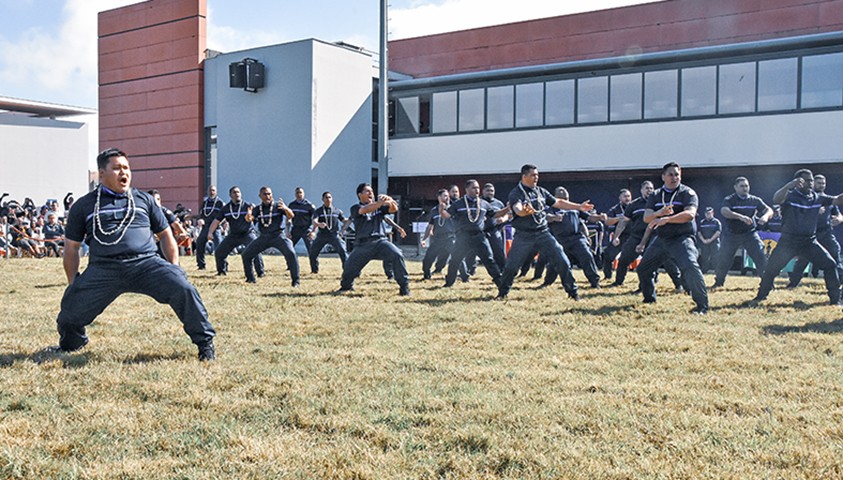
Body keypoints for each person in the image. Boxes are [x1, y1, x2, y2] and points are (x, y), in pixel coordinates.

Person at [51, 148, 216, 360]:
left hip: (146, 264)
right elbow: (72, 247)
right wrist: (73, 282)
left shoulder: (143, 199)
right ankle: (73, 343)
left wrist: (174, 268)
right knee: (69, 312)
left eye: (127, 168)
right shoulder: (83, 206)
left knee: (184, 289)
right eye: (117, 168)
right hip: (104, 268)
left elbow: (166, 235)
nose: (124, 173)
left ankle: (205, 344)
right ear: (101, 173)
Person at [497, 164, 593, 300]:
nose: (536, 177)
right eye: (533, 175)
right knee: (511, 267)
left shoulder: (541, 191)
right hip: (524, 236)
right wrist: (524, 212)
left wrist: (579, 207)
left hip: (543, 233)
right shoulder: (516, 193)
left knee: (562, 260)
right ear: (524, 177)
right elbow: (517, 209)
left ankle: (573, 293)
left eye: (537, 175)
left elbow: (558, 202)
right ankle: (502, 293)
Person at [751, 169, 843, 306]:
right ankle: (760, 296)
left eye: (811, 180)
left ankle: (835, 300)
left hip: (809, 241)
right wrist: (789, 186)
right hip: (788, 242)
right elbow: (776, 199)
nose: (810, 183)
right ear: (798, 182)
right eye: (807, 180)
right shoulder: (790, 196)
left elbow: (837, 200)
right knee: (771, 269)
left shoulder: (817, 198)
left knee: (830, 264)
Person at [636, 162, 709, 314]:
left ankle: (702, 306)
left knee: (690, 266)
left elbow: (690, 215)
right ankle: (649, 298)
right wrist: (659, 213)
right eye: (670, 174)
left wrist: (667, 219)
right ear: (663, 177)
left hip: (682, 238)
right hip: (662, 238)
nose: (674, 177)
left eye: (677, 174)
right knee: (643, 268)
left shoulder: (688, 193)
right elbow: (646, 218)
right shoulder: (655, 195)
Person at [338, 183, 410, 296]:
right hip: (362, 245)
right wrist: (381, 202)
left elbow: (393, 209)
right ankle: (346, 286)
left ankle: (404, 287)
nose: (371, 193)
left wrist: (389, 201)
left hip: (380, 242)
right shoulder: (355, 208)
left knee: (397, 254)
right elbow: (365, 210)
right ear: (360, 194)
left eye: (371, 191)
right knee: (349, 268)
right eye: (367, 191)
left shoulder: (379, 207)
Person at [440, 179, 507, 288]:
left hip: (479, 237)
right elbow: (447, 215)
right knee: (455, 261)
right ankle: (449, 283)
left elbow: (495, 214)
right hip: (463, 237)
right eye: (474, 188)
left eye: (478, 188)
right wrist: (441, 211)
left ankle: (500, 283)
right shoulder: (459, 203)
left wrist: (507, 209)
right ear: (466, 189)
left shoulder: (484, 204)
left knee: (489, 260)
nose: (477, 190)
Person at [539, 186, 606, 289]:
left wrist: (599, 217)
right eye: (560, 190)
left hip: (576, 238)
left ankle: (595, 282)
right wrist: (553, 218)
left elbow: (589, 217)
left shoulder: (575, 207)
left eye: (565, 190)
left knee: (587, 256)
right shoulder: (551, 207)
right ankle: (547, 282)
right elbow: (545, 217)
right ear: (555, 196)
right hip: (560, 239)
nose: (563, 191)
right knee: (555, 261)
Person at [711, 177, 772, 288]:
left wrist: (765, 217)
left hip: (750, 234)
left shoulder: (755, 200)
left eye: (746, 186)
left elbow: (769, 210)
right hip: (732, 234)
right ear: (735, 188)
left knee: (760, 256)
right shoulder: (729, 199)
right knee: (724, 259)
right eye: (742, 186)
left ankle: (767, 283)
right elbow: (724, 211)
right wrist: (740, 217)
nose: (745, 188)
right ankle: (719, 282)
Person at [788, 174, 843, 287]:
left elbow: (838, 214)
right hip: (811, 234)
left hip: (827, 233)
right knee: (803, 260)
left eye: (823, 183)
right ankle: (793, 283)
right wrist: (814, 211)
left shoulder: (829, 199)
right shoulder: (809, 198)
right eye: (819, 183)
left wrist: (839, 219)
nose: (821, 185)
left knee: (835, 255)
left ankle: (839, 282)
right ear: (813, 184)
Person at [241, 186, 300, 286]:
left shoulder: (278, 206)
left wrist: (286, 209)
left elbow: (291, 215)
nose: (267, 196)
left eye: (269, 194)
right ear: (260, 196)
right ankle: (250, 279)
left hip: (278, 236)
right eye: (265, 194)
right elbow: (249, 219)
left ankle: (296, 281)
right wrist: (248, 216)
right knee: (246, 255)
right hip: (264, 237)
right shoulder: (258, 209)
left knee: (291, 253)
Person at [207, 186, 264, 277]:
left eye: (238, 192)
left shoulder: (248, 206)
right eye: (234, 192)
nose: (237, 194)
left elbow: (258, 217)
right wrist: (210, 232)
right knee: (219, 252)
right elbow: (216, 221)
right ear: (230, 195)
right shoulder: (226, 208)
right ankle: (221, 271)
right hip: (233, 235)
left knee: (256, 250)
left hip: (248, 233)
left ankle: (260, 273)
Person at [421, 189, 458, 280]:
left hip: (450, 238)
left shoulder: (453, 208)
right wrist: (424, 239)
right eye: (445, 196)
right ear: (439, 198)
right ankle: (426, 275)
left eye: (448, 196)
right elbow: (430, 226)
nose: (448, 197)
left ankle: (465, 277)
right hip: (438, 239)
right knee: (428, 258)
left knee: (458, 256)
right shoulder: (434, 211)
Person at [308, 191, 348, 274]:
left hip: (334, 235)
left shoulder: (337, 211)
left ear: (332, 199)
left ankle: (347, 270)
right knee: (313, 252)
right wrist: (319, 224)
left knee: (343, 251)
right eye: (326, 197)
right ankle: (314, 271)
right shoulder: (318, 211)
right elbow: (314, 221)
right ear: (322, 199)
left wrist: (345, 227)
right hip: (322, 235)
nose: (328, 199)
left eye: (329, 197)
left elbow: (344, 221)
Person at [603, 189, 633, 280]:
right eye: (625, 196)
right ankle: (608, 276)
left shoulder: (634, 206)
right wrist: (618, 218)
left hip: (634, 236)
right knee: (607, 254)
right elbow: (607, 222)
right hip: (621, 236)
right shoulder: (615, 209)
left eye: (628, 196)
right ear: (620, 198)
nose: (627, 198)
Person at [481, 182, 509, 270]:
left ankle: (503, 271)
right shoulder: (479, 202)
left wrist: (503, 219)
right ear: (483, 191)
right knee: (472, 253)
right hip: (480, 231)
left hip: (494, 230)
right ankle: (469, 272)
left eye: (492, 191)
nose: (490, 193)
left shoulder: (499, 203)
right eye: (487, 191)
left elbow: (507, 214)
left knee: (498, 252)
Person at [195, 185, 224, 270]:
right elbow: (201, 214)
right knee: (199, 243)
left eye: (213, 190)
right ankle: (201, 265)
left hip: (216, 227)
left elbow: (224, 215)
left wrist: (219, 224)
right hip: (206, 226)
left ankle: (222, 266)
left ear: (216, 192)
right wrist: (196, 218)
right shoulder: (205, 203)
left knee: (219, 246)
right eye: (210, 190)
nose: (212, 192)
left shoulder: (220, 203)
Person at [288, 187, 315, 267]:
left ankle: (314, 269)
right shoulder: (292, 205)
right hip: (295, 229)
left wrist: (313, 231)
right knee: (288, 248)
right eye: (297, 193)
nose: (299, 194)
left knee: (311, 249)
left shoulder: (309, 205)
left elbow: (314, 219)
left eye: (300, 193)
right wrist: (287, 230)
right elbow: (288, 218)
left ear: (303, 194)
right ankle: (290, 266)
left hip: (306, 229)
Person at [696, 206, 721, 273]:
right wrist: (703, 240)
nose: (708, 215)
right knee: (704, 257)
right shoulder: (702, 222)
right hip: (704, 242)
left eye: (710, 213)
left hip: (714, 242)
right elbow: (699, 232)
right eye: (707, 213)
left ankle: (717, 271)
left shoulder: (716, 222)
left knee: (715, 257)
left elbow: (718, 232)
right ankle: (704, 271)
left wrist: (710, 240)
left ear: (713, 213)